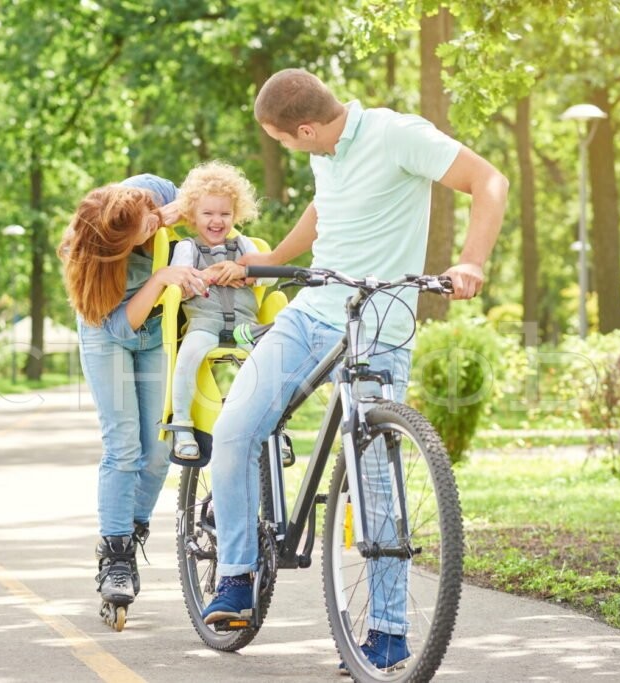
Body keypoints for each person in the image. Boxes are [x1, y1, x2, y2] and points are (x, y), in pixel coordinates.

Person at [200, 69, 509, 670]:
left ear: (308, 128)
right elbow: (326, 208)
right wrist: (269, 260)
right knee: (235, 429)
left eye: (285, 140)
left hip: (381, 327)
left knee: (376, 487)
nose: (287, 148)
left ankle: (389, 631)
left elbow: (488, 180)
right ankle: (237, 574)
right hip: (312, 311)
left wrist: (471, 262)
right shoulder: (329, 151)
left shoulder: (399, 136)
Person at [59, 174, 208, 618]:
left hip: (157, 332)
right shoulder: (95, 265)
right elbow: (121, 325)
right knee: (124, 445)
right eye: (138, 237)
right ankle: (116, 556)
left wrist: (178, 210)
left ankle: (133, 526)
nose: (148, 234)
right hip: (111, 334)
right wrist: (160, 277)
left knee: (161, 446)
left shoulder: (150, 192)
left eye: (147, 225)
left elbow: (205, 201)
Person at [166, 161, 269, 462]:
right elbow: (178, 282)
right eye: (208, 213)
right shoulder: (188, 248)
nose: (217, 221)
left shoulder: (243, 245)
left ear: (235, 215)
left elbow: (269, 274)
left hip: (246, 326)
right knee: (187, 357)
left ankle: (275, 429)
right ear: (193, 216)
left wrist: (244, 270)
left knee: (273, 361)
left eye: (225, 214)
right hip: (205, 323)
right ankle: (182, 424)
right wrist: (208, 275)